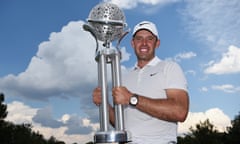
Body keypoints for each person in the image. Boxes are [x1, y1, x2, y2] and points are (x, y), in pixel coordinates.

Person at [92, 21, 189, 144]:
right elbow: (119, 122)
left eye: (149, 39)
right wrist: (103, 103)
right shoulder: (124, 77)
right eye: (139, 39)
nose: (144, 43)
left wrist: (132, 99)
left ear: (157, 43)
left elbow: (180, 111)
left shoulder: (169, 68)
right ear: (133, 43)